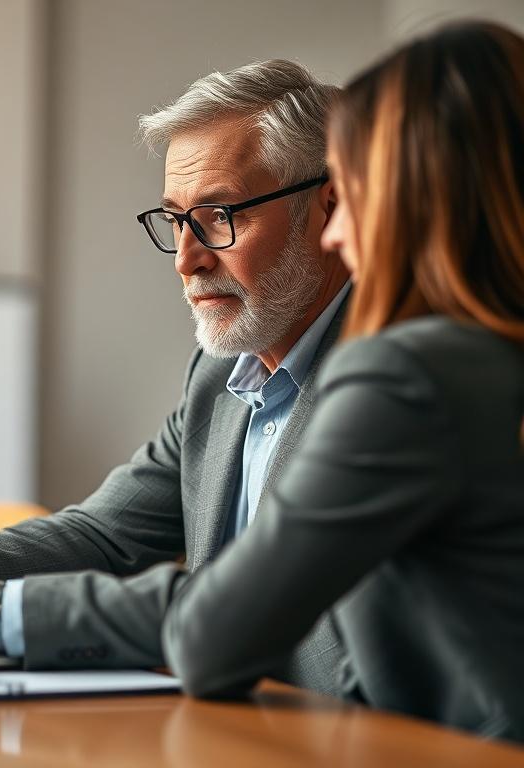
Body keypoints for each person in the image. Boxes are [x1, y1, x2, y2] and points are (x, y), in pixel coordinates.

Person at [0, 59, 354, 694]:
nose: (186, 259)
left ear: (326, 209)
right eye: (176, 220)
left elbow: (244, 607)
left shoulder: (391, 380)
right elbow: (105, 534)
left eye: (219, 217)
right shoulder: (220, 377)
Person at [160, 21, 524, 742]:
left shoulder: (411, 374)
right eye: (176, 223)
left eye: (354, 192)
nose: (334, 234)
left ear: (413, 197)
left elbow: (216, 636)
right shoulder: (481, 362)